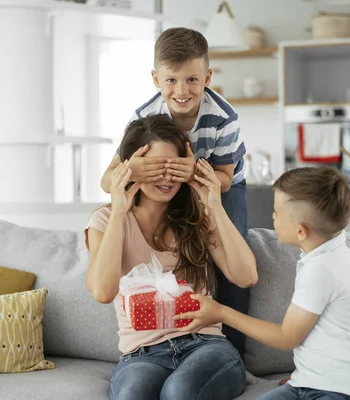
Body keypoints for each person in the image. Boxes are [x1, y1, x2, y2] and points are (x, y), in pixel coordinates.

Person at [99, 26, 251, 356]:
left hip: (220, 183)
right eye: (171, 80)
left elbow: (224, 177)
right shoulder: (144, 116)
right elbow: (106, 180)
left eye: (192, 80)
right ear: (156, 79)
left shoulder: (224, 118)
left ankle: (236, 350)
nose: (181, 90)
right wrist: (132, 172)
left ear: (207, 76)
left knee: (234, 244)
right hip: (173, 188)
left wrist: (196, 173)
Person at [85, 114, 258, 400]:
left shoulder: (198, 215)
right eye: (154, 168)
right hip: (142, 356)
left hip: (205, 345)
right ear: (133, 170)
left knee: (180, 391)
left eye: (173, 167)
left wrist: (213, 204)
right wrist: (118, 211)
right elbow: (103, 292)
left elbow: (246, 276)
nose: (166, 177)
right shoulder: (105, 221)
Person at [175, 166, 350, 400]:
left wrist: (221, 312)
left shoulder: (323, 268)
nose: (272, 217)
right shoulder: (326, 250)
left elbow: (287, 337)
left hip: (346, 390)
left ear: (301, 231)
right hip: (310, 383)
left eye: (276, 212)